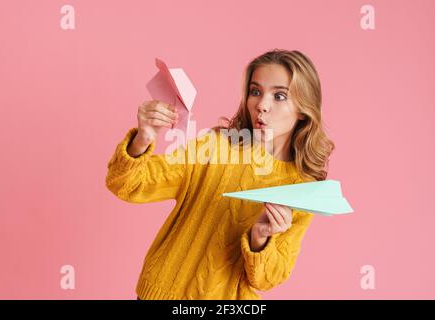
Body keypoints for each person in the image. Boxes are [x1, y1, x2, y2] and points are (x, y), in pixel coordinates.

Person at [105, 49, 335, 300]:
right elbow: (127, 184)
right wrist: (144, 138)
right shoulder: (215, 147)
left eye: (279, 96)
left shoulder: (300, 188)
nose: (262, 105)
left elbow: (268, 280)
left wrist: (260, 236)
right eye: (255, 91)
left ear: (304, 109)